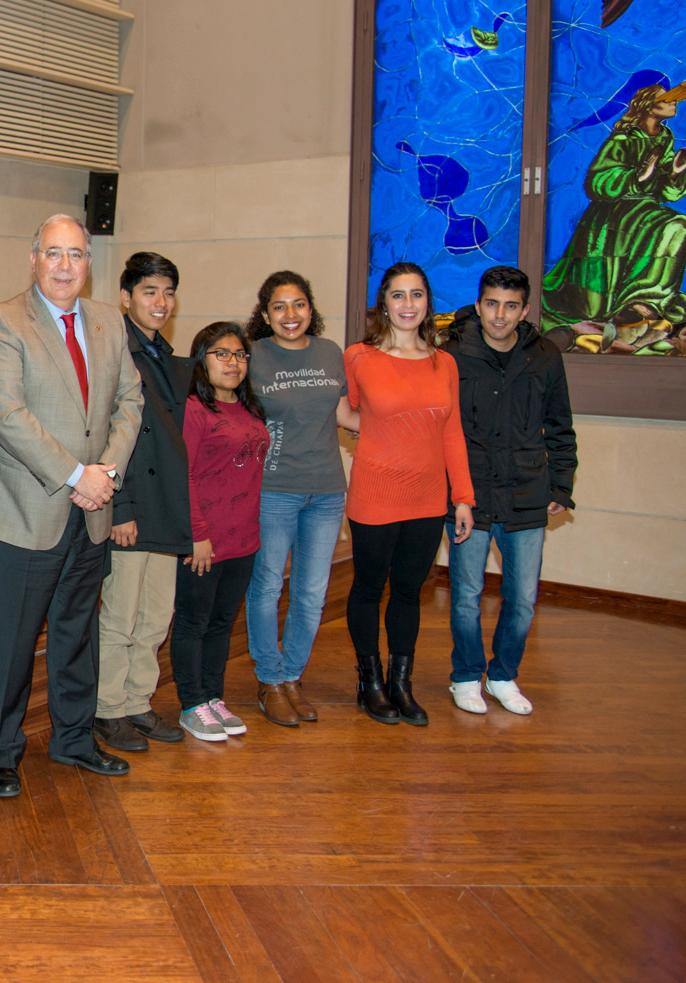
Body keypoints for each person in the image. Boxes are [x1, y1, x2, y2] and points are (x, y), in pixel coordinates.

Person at [0, 213, 143, 797]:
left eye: (76, 255)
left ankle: (73, 738)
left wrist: (106, 473)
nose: (65, 266)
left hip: (92, 511)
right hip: (29, 511)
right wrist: (75, 474)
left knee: (77, 634)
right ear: (33, 257)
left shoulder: (109, 322)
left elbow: (129, 400)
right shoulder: (2, 321)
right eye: (53, 253)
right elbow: (8, 415)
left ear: (90, 263)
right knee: (8, 643)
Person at [441, 266, 578, 716]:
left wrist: (562, 483)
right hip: (470, 496)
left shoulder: (545, 357)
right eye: (492, 304)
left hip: (527, 493)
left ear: (524, 309)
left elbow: (560, 426)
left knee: (521, 599)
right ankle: (465, 676)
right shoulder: (452, 355)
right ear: (479, 305)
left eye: (511, 305)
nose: (500, 315)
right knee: (465, 594)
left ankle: (502, 676)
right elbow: (438, 426)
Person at [345, 262, 475, 727]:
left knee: (407, 591)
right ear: (384, 303)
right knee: (367, 587)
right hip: (375, 493)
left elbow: (452, 432)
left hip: (427, 496)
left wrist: (462, 496)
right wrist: (380, 435)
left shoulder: (446, 363)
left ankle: (401, 683)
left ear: (427, 303)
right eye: (398, 296)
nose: (407, 304)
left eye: (416, 295)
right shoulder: (359, 356)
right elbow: (347, 410)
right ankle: (370, 682)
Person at [243, 271, 356, 728]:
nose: (291, 315)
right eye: (279, 307)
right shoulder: (252, 355)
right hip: (274, 490)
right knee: (268, 586)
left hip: (328, 490)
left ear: (311, 308)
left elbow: (346, 415)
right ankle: (269, 680)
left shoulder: (331, 353)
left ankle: (292, 677)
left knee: (311, 593)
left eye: (299, 305)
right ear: (265, 313)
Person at [94, 251, 190, 753]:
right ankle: (109, 708)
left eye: (168, 292)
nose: (161, 302)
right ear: (126, 297)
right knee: (120, 617)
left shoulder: (167, 355)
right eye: (150, 291)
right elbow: (110, 434)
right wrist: (122, 507)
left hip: (167, 506)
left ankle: (137, 701)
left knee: (155, 616)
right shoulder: (114, 350)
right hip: (131, 506)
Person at [172, 322, 270, 742]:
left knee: (221, 624)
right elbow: (185, 475)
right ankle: (192, 704)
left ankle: (214, 697)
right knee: (193, 622)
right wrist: (197, 533)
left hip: (244, 538)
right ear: (202, 360)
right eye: (222, 354)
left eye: (240, 355)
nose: (233, 362)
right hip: (204, 540)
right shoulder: (194, 409)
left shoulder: (249, 408)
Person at [542, 85, 686, 329]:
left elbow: (668, 191)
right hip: (612, 217)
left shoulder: (664, 137)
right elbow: (595, 183)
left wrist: (673, 174)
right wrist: (637, 177)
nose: (674, 102)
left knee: (681, 227)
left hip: (646, 212)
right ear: (648, 105)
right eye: (667, 99)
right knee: (591, 308)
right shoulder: (622, 139)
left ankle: (645, 298)